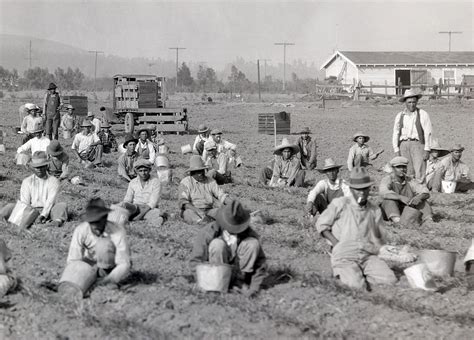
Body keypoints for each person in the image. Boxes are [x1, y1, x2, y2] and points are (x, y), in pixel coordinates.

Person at [316, 167, 397, 290]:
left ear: (369, 189)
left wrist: (381, 246)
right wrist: (336, 244)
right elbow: (321, 225)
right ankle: (344, 273)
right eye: (358, 189)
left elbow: (379, 235)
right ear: (351, 189)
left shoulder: (374, 210)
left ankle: (360, 273)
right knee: (356, 286)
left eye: (365, 189)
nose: (361, 193)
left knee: (389, 280)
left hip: (366, 255)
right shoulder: (341, 204)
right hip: (344, 255)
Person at [190, 200, 266, 296]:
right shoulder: (208, 232)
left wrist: (254, 289)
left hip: (240, 275)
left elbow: (260, 264)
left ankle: (239, 283)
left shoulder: (249, 233)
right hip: (215, 276)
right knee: (217, 244)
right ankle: (218, 285)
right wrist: (202, 281)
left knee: (252, 244)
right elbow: (195, 261)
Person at [64, 198, 131, 288]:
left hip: (111, 265)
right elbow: (73, 259)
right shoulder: (81, 230)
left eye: (98, 221)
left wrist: (109, 280)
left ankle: (104, 277)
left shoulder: (117, 231)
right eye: (92, 222)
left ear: (105, 218)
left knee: (103, 244)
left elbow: (124, 263)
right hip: (90, 263)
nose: (95, 226)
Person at [0, 151, 68, 227]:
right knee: (10, 206)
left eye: (41, 166)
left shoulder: (53, 181)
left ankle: (55, 222)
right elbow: (25, 202)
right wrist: (28, 213)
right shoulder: (27, 181)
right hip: (30, 210)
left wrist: (43, 215)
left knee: (62, 206)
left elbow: (50, 201)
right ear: (33, 167)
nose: (39, 169)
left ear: (46, 166)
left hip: (48, 211)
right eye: (36, 167)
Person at [392, 89, 433, 182]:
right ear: (405, 103)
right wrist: (396, 149)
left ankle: (421, 191)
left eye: (414, 102)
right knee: (407, 170)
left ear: (417, 102)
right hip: (404, 144)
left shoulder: (422, 114)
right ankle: (409, 191)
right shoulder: (400, 115)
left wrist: (427, 149)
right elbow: (396, 132)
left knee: (420, 170)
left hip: (417, 144)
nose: (412, 104)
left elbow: (428, 132)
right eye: (409, 102)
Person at [179, 155, 233, 224]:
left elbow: (221, 195)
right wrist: (198, 211)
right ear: (192, 173)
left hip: (209, 210)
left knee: (224, 212)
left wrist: (234, 205)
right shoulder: (186, 182)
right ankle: (202, 223)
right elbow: (183, 202)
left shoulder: (210, 181)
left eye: (202, 171)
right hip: (193, 210)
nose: (200, 174)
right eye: (197, 172)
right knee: (188, 213)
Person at [379, 156, 432, 225]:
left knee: (422, 201)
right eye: (398, 167)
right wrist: (400, 197)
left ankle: (429, 220)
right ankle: (397, 221)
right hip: (389, 211)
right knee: (389, 200)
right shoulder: (387, 179)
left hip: (406, 209)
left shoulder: (410, 180)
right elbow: (383, 192)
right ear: (393, 168)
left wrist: (419, 197)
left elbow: (425, 191)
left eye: (404, 167)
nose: (402, 169)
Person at [120, 159, 165, 224]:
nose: (143, 173)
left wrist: (138, 217)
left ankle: (147, 218)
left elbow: (152, 203)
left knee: (156, 213)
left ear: (149, 170)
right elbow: (127, 200)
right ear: (136, 171)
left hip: (148, 209)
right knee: (121, 207)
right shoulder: (133, 182)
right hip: (135, 207)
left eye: (145, 170)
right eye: (140, 171)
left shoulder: (156, 182)